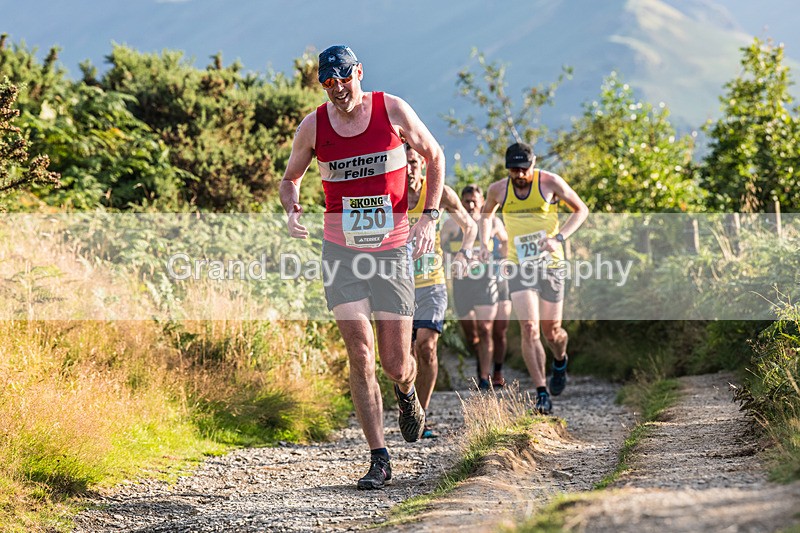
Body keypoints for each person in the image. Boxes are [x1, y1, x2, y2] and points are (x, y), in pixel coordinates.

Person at [279, 45, 444, 490]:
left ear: (359, 73)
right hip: (341, 253)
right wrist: (291, 208)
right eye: (328, 82)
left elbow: (434, 156)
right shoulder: (313, 125)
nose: (337, 89)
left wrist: (428, 217)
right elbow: (290, 177)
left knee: (395, 362)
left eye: (344, 79)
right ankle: (379, 457)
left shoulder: (390, 109)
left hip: (391, 253)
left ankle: (407, 393)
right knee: (360, 353)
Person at [479, 142, 588, 414]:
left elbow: (581, 210)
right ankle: (541, 392)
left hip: (551, 263)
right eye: (513, 169)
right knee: (529, 327)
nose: (519, 175)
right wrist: (484, 243)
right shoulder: (498, 190)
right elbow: (484, 215)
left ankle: (560, 360)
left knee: (553, 332)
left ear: (533, 164)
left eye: (523, 169)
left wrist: (558, 238)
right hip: (519, 265)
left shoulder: (550, 183)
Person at [406, 145, 476, 437]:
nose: (408, 170)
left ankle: (419, 416)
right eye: (403, 163)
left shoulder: (439, 193)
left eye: (412, 163)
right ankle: (406, 404)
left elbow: (469, 226)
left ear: (422, 164)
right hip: (398, 287)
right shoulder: (387, 192)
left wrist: (464, 254)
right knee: (403, 359)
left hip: (432, 284)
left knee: (426, 347)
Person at [441, 184, 508, 390]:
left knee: (489, 329)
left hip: (488, 280)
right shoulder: (451, 225)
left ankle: (487, 375)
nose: (470, 205)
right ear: (461, 202)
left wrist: (502, 265)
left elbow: (505, 243)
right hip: (462, 283)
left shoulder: (492, 222)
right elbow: (441, 249)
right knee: (472, 334)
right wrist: (448, 268)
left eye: (474, 201)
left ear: (481, 203)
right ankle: (483, 360)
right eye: (466, 201)